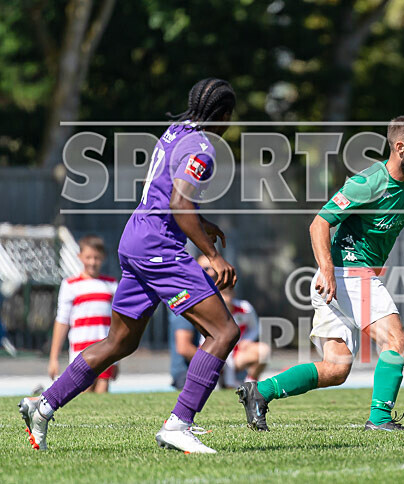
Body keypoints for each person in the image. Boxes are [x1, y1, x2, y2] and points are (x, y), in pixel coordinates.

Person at [19, 78, 239, 454]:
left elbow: (163, 192)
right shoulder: (203, 148)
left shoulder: (176, 130)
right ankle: (179, 424)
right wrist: (212, 254)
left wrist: (202, 224)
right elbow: (179, 204)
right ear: (223, 116)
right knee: (223, 332)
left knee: (120, 341)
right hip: (158, 247)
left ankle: (43, 405)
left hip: (135, 238)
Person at [236, 115, 404, 432]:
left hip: (339, 281)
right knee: (396, 340)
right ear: (400, 147)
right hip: (345, 273)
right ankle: (379, 420)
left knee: (335, 369)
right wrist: (327, 269)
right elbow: (320, 222)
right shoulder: (368, 183)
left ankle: (259, 392)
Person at [170, 255, 269, 390]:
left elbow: (253, 328)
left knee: (263, 351)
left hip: (228, 359)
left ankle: (249, 386)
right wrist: (215, 360)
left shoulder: (241, 307)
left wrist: (243, 342)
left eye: (214, 269)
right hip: (189, 372)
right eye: (205, 269)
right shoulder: (186, 300)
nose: (211, 273)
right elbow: (183, 347)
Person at [49, 235, 118, 393]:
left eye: (96, 258)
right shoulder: (70, 285)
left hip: (105, 351)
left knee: (103, 397)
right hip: (81, 352)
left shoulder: (111, 285)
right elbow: (62, 321)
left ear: (103, 258)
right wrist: (54, 358)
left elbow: (117, 324)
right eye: (88, 257)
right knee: (83, 396)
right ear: (79, 257)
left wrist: (117, 360)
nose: (92, 262)